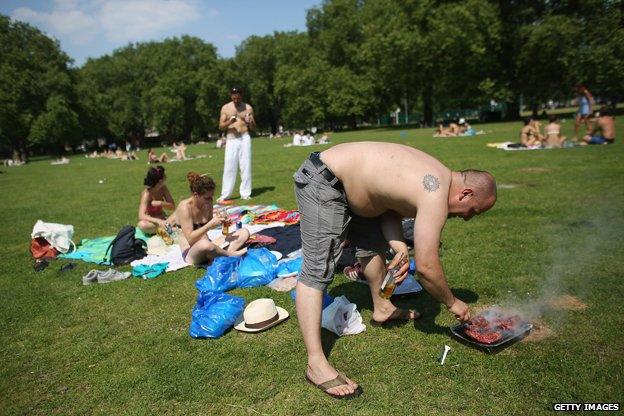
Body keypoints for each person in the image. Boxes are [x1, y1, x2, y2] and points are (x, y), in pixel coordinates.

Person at [293, 142, 497, 399]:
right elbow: (426, 267)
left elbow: (390, 206)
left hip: (355, 192)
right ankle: (315, 364)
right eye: (473, 211)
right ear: (465, 194)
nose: (467, 217)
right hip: (324, 180)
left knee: (372, 246)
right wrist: (452, 302)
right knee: (317, 271)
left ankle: (383, 308)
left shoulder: (437, 176)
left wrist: (399, 245)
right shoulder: (435, 191)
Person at [168, 172, 249, 265]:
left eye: (212, 196)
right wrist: (210, 224)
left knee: (243, 233)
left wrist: (220, 221)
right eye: (207, 197)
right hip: (191, 252)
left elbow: (210, 223)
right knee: (205, 245)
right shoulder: (185, 207)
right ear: (196, 195)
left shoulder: (208, 203)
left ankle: (217, 257)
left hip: (209, 245)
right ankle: (230, 254)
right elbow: (190, 239)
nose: (210, 200)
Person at [218, 86, 255, 203]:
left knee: (246, 165)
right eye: (233, 97)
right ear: (231, 95)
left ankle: (245, 193)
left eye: (237, 97)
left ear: (241, 95)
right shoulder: (226, 108)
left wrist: (250, 121)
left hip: (244, 137)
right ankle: (226, 194)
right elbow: (221, 126)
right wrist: (231, 121)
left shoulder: (248, 108)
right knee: (229, 166)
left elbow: (253, 127)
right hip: (231, 138)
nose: (236, 99)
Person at [137, 166, 175, 234]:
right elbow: (141, 215)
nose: (166, 177)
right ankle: (168, 228)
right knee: (142, 225)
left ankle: (165, 228)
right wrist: (158, 221)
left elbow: (173, 207)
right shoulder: (147, 194)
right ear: (160, 181)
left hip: (163, 218)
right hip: (152, 222)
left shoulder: (164, 189)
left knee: (178, 214)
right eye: (164, 176)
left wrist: (161, 203)